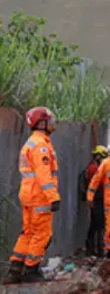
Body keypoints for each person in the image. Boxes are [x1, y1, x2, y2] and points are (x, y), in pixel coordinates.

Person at [8, 107, 61, 284]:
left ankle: (15, 269)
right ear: (41, 123)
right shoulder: (41, 146)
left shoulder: (32, 142)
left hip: (28, 193)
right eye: (50, 120)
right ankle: (31, 269)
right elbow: (43, 174)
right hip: (39, 196)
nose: (54, 123)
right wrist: (53, 196)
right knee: (42, 234)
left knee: (28, 232)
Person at [81, 145, 109, 258]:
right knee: (98, 225)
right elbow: (98, 183)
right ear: (98, 156)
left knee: (97, 224)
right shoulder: (94, 168)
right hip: (96, 199)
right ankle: (95, 249)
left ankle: (93, 248)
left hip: (98, 199)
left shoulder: (95, 167)